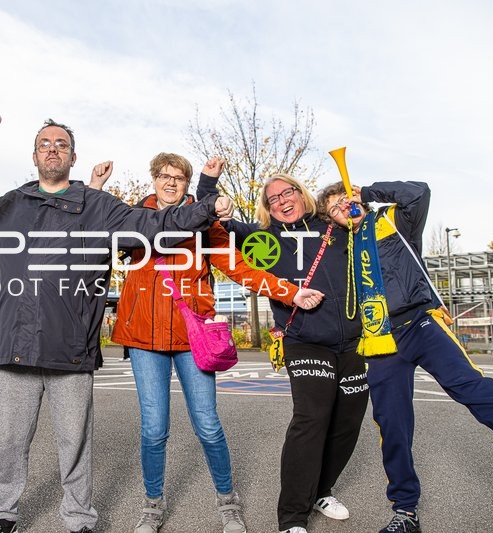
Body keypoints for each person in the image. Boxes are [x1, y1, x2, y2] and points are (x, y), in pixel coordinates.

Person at [0, 119, 234, 533]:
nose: (53, 149)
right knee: (10, 443)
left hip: (72, 347)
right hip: (16, 345)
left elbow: (153, 225)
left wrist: (205, 205)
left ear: (72, 156)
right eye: (45, 143)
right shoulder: (13, 204)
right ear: (34, 155)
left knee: (75, 444)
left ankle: (79, 520)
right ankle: (3, 514)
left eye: (61, 144)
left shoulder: (98, 206)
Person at [90, 154, 324, 533]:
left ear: (187, 183)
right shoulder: (134, 217)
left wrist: (289, 292)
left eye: (178, 177)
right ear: (154, 179)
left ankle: (227, 501)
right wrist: (95, 188)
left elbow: (241, 268)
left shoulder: (204, 223)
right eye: (164, 176)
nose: (170, 182)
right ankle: (152, 506)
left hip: (192, 336)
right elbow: (94, 228)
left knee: (208, 425)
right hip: (143, 336)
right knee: (154, 429)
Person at [317, 180, 493, 533]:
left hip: (421, 322)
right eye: (335, 208)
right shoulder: (338, 248)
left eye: (345, 200)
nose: (344, 208)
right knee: (392, 423)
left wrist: (370, 192)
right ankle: (405, 511)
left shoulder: (392, 220)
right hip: (380, 339)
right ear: (332, 220)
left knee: (470, 384)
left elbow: (419, 192)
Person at [197, 172, 368, 533]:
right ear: (267, 208)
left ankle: (322, 491)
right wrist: (209, 185)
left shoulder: (333, 228)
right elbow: (213, 223)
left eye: (287, 192)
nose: (282, 201)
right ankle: (292, 517)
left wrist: (358, 206)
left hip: (354, 341)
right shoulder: (263, 238)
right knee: (311, 418)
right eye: (272, 199)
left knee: (347, 422)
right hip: (304, 339)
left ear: (301, 193)